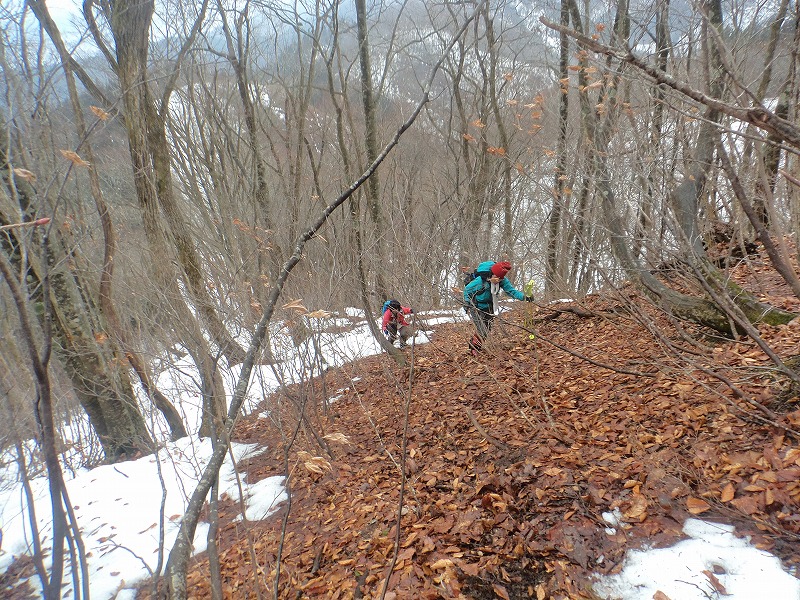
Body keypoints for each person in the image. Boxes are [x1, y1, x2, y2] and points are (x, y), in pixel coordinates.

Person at [463, 260, 533, 354]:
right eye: (496, 277)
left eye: (500, 279)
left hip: (489, 305)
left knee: (487, 330)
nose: (497, 280)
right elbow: (467, 290)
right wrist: (467, 303)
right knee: (482, 329)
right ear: (491, 274)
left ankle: (475, 346)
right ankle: (473, 349)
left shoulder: (502, 281)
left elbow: (511, 291)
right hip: (475, 306)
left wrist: (524, 297)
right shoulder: (480, 281)